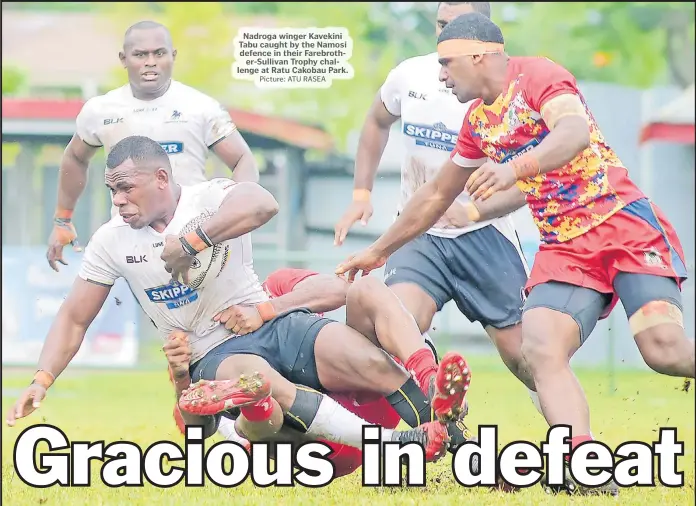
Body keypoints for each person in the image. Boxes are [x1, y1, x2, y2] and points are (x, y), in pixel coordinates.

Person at [337, 11, 695, 496]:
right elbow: (437, 196)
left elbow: (573, 135)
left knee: (664, 351)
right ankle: (583, 463)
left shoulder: (540, 75)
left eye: (447, 63)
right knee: (540, 350)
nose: (440, 75)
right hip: (565, 249)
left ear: (479, 55)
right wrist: (377, 252)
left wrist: (514, 169)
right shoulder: (476, 122)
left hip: (624, 228)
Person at [7, 135, 468, 464]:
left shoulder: (212, 196)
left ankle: (447, 423)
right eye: (111, 189)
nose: (118, 200)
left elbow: (263, 204)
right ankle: (400, 446)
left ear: (161, 178)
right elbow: (73, 318)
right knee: (259, 381)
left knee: (371, 364)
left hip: (268, 321)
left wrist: (192, 241)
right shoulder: (111, 240)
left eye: (126, 187)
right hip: (211, 352)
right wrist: (42, 379)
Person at [333, 1, 539, 409]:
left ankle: (572, 450)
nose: (445, 33)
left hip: (485, 235)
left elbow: (536, 176)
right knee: (401, 326)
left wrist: (477, 210)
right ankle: (444, 411)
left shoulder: (508, 92)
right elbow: (376, 121)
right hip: (419, 230)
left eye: (457, 26)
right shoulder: (410, 74)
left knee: (527, 358)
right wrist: (362, 193)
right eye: (441, 24)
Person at [46, 20, 259, 272]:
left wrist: (226, 218)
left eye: (159, 53)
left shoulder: (201, 107)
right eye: (140, 54)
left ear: (173, 56)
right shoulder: (100, 110)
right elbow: (74, 158)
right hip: (130, 237)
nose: (150, 61)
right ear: (124, 59)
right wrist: (62, 219)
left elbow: (243, 159)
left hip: (192, 238)